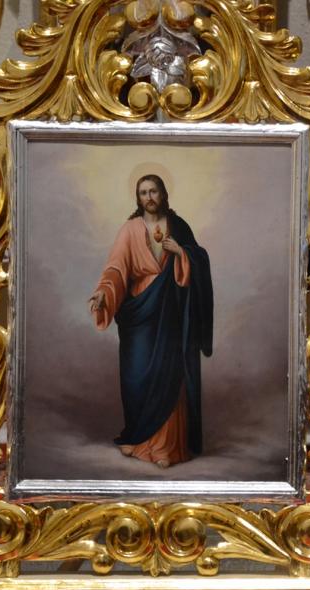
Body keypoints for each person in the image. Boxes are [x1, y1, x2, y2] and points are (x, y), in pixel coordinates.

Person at [88, 175, 213, 468]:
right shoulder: (130, 229)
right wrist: (104, 292)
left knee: (170, 374)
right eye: (143, 192)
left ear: (163, 193)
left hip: (171, 313)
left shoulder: (178, 226)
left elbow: (200, 258)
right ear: (138, 197)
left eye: (153, 191)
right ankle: (138, 439)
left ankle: (167, 448)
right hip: (140, 314)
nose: (149, 197)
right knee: (137, 375)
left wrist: (181, 252)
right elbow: (116, 269)